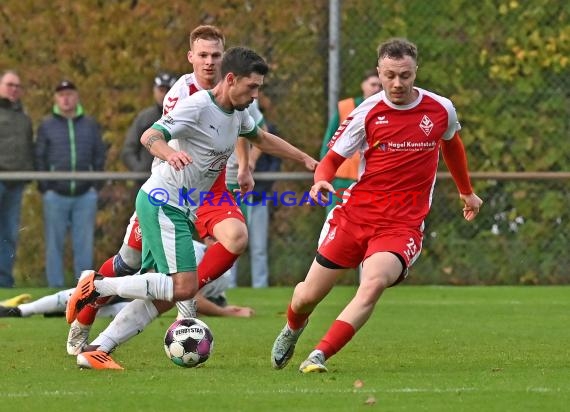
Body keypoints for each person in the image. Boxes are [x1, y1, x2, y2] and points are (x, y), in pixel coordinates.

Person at [67, 46, 317, 369]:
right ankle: (96, 286)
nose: (256, 94)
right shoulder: (197, 105)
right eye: (252, 86)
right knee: (182, 287)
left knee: (169, 289)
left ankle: (99, 347)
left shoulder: (237, 113)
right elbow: (150, 135)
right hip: (162, 202)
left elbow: (263, 139)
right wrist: (169, 153)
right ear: (231, 80)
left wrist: (306, 159)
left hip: (182, 208)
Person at [270, 38, 483, 373]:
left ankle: (319, 355)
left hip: (402, 225)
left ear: (416, 72)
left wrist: (466, 191)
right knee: (306, 296)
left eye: (405, 75)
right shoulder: (366, 112)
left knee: (372, 284)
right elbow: (331, 160)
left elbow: (452, 144)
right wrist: (320, 179)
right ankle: (293, 328)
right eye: (389, 75)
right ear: (379, 73)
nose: (397, 83)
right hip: (355, 216)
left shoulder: (441, 108)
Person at [64, 25, 262, 351]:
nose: (209, 62)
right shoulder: (183, 96)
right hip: (168, 190)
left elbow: (242, 129)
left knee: (223, 246)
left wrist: (243, 165)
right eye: (203, 55)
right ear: (191, 57)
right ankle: (86, 317)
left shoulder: (240, 89)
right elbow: (157, 137)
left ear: (225, 60)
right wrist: (171, 155)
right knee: (131, 261)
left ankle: (175, 321)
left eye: (215, 55)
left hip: (204, 192)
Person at [0, 241, 253, 320]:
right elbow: (190, 293)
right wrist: (224, 312)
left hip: (149, 288)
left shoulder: (204, 256)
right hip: (139, 281)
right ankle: (20, 310)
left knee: (116, 310)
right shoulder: (196, 252)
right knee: (91, 291)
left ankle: (60, 312)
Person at [35, 80, 106, 288]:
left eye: (69, 94)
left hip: (85, 194)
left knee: (84, 245)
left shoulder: (90, 124)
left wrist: (95, 185)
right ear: (56, 98)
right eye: (61, 94)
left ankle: (82, 289)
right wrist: (45, 187)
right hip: (55, 194)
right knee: (54, 245)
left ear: (76, 97)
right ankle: (55, 289)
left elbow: (99, 154)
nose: (66, 98)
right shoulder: (47, 125)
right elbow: (39, 157)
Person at [319, 69, 381, 215]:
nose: (376, 89)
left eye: (379, 86)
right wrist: (324, 174)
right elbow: (329, 141)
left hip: (369, 180)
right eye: (373, 84)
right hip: (342, 177)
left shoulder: (385, 109)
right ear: (363, 85)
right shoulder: (346, 107)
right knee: (335, 220)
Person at [0, 70, 34, 288]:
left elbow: (29, 147)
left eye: (17, 86)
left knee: (10, 233)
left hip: (15, 183)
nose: (13, 89)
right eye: (10, 84)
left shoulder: (24, 117)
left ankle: (4, 280)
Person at [245, 94, 281, 288]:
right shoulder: (229, 125)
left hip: (258, 196)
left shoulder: (269, 131)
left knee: (258, 247)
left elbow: (275, 162)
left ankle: (260, 285)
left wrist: (263, 186)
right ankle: (227, 286)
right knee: (228, 244)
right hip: (232, 196)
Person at [120, 71, 178, 172]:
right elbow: (128, 149)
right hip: (146, 179)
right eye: (161, 90)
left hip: (175, 178)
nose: (164, 94)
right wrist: (139, 169)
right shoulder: (145, 118)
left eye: (168, 90)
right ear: (154, 91)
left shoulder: (182, 116)